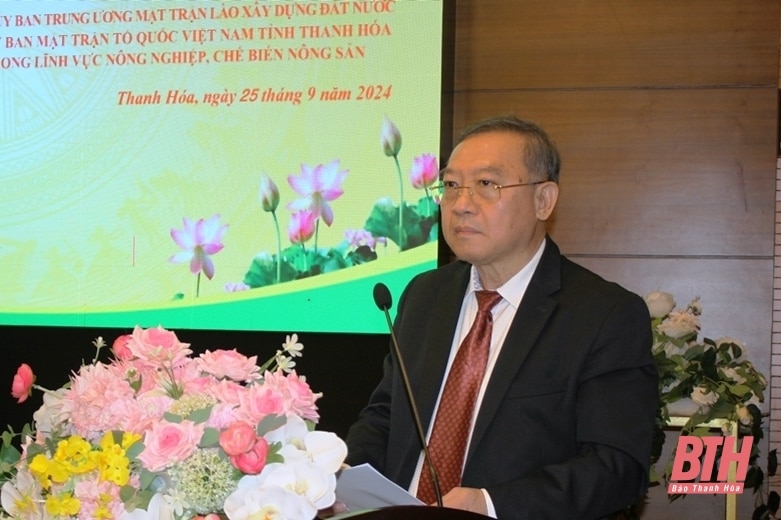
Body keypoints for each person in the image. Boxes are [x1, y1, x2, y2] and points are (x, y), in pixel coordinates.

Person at [344, 115, 658, 519]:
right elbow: (387, 415)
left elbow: (616, 466)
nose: (460, 204)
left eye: (487, 185)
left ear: (544, 200)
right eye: (451, 185)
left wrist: (490, 504)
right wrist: (347, 473)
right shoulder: (425, 295)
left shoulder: (604, 315)